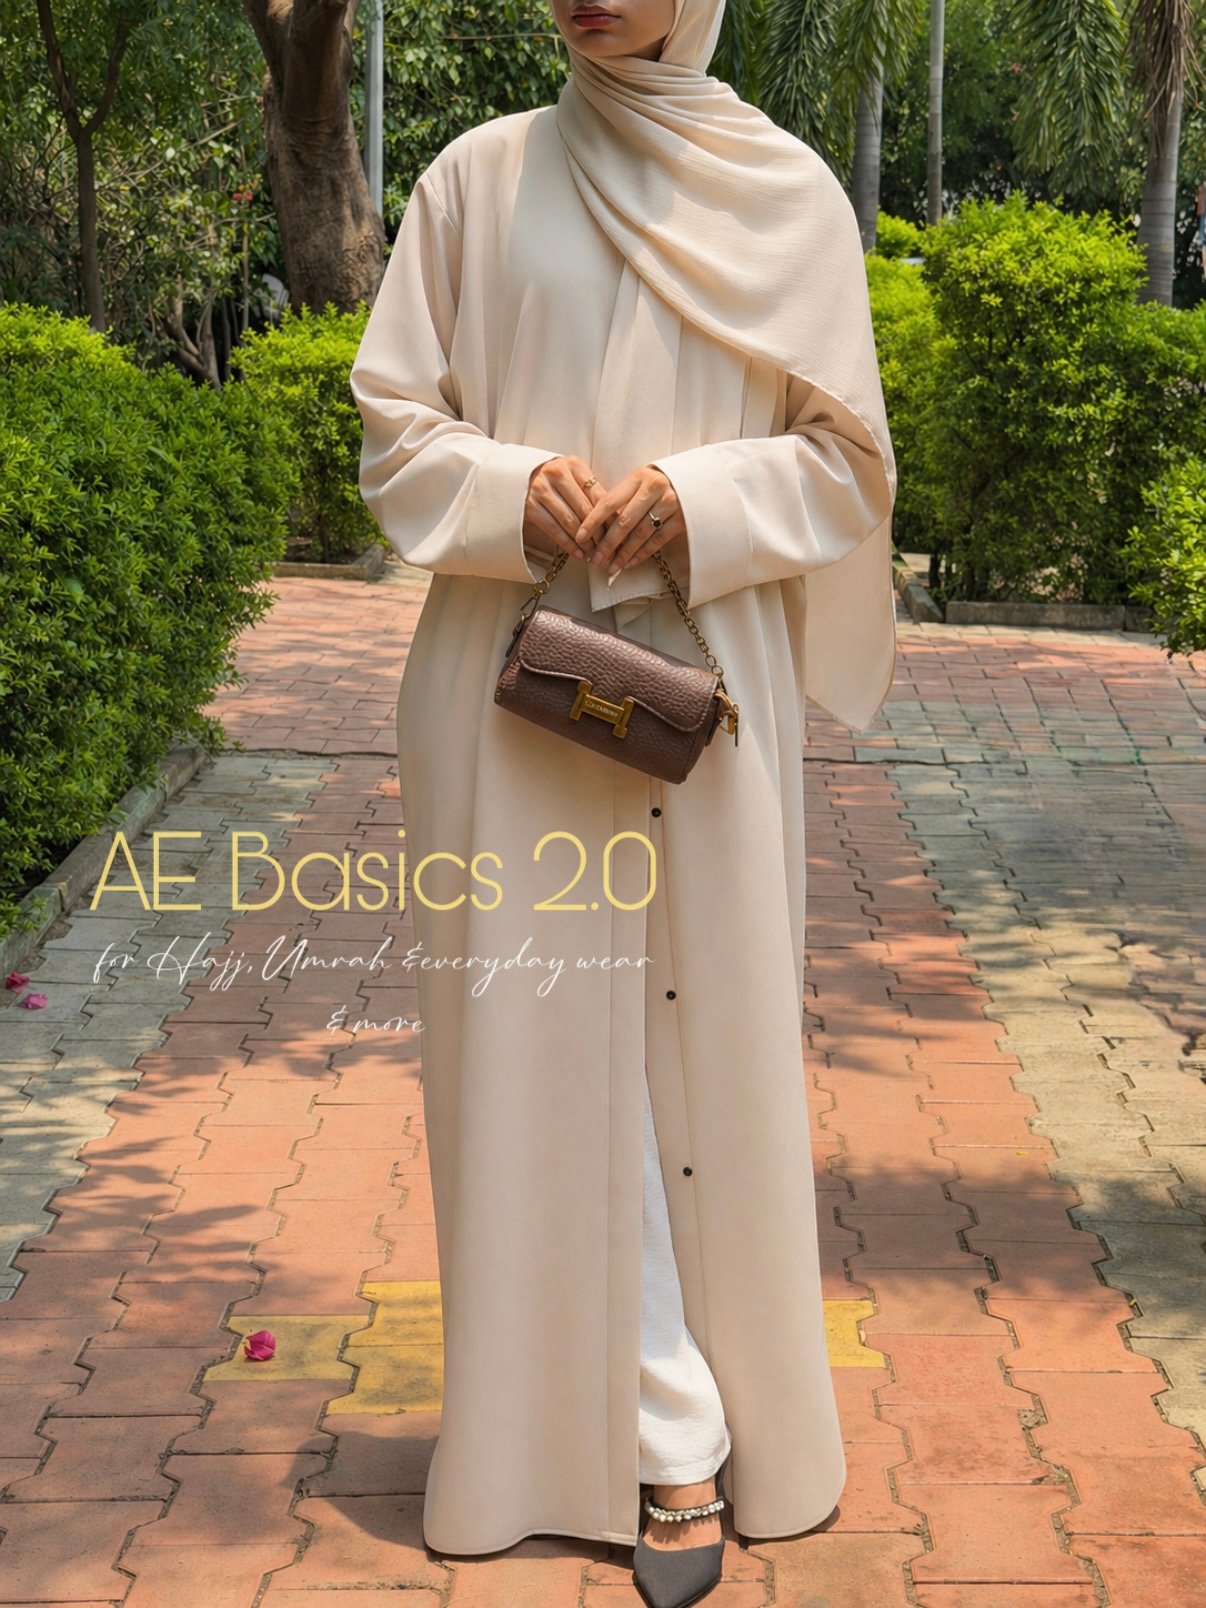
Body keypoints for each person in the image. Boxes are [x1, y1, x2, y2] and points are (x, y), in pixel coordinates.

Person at [349, 0, 897, 1602]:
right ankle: (650, 1436)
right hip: (507, 684)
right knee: (532, 1049)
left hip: (701, 684)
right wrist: (513, 489)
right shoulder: (477, 175)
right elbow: (396, 432)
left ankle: (715, 1417)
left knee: (698, 1044)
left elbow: (845, 465)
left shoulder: (785, 192)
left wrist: (693, 497)